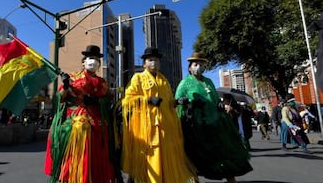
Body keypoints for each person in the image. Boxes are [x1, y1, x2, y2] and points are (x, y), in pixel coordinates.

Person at [121, 47, 198, 183]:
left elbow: (168, 102)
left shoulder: (164, 80)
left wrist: (177, 102)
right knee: (149, 158)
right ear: (144, 63)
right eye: (151, 60)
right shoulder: (138, 78)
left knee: (166, 158)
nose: (154, 63)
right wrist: (147, 100)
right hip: (146, 128)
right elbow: (127, 100)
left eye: (156, 60)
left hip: (165, 127)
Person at [175, 52, 252, 183]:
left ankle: (231, 179)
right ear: (189, 68)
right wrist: (190, 103)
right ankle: (194, 180)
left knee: (225, 151)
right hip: (196, 125)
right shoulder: (185, 83)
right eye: (195, 64)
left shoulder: (209, 81)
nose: (199, 66)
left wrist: (220, 104)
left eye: (201, 64)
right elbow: (177, 101)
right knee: (196, 155)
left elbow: (216, 98)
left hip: (216, 123)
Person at [44, 45, 117, 183]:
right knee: (78, 131)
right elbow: (61, 98)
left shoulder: (103, 83)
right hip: (76, 119)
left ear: (99, 64)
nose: (93, 62)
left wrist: (97, 101)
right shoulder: (73, 78)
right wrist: (66, 86)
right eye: (90, 58)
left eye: (96, 59)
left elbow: (109, 99)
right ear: (83, 62)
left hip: (98, 121)